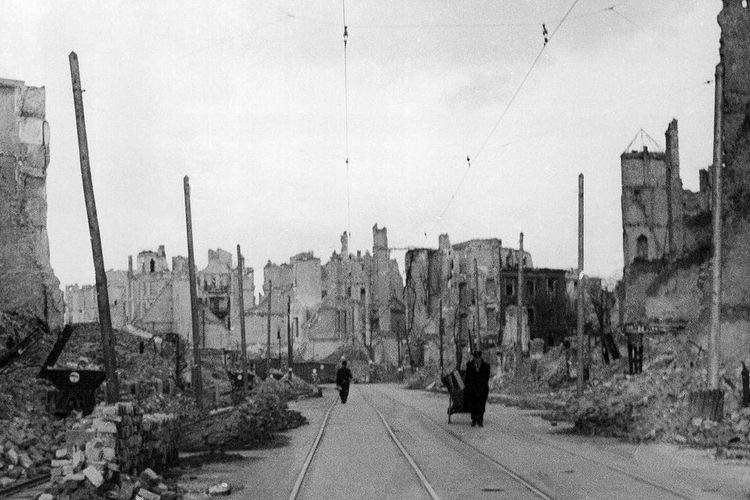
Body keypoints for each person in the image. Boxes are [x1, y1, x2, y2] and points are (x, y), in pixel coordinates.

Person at [464, 350, 490, 427]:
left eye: (478, 358)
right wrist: (468, 388)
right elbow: (467, 378)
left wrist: (483, 387)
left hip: (482, 389)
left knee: (481, 405)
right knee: (473, 404)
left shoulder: (486, 366)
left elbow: (486, 378)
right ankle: (474, 419)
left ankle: (480, 420)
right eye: (475, 358)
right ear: (474, 358)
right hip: (472, 389)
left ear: (480, 357)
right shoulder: (469, 364)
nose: (477, 359)